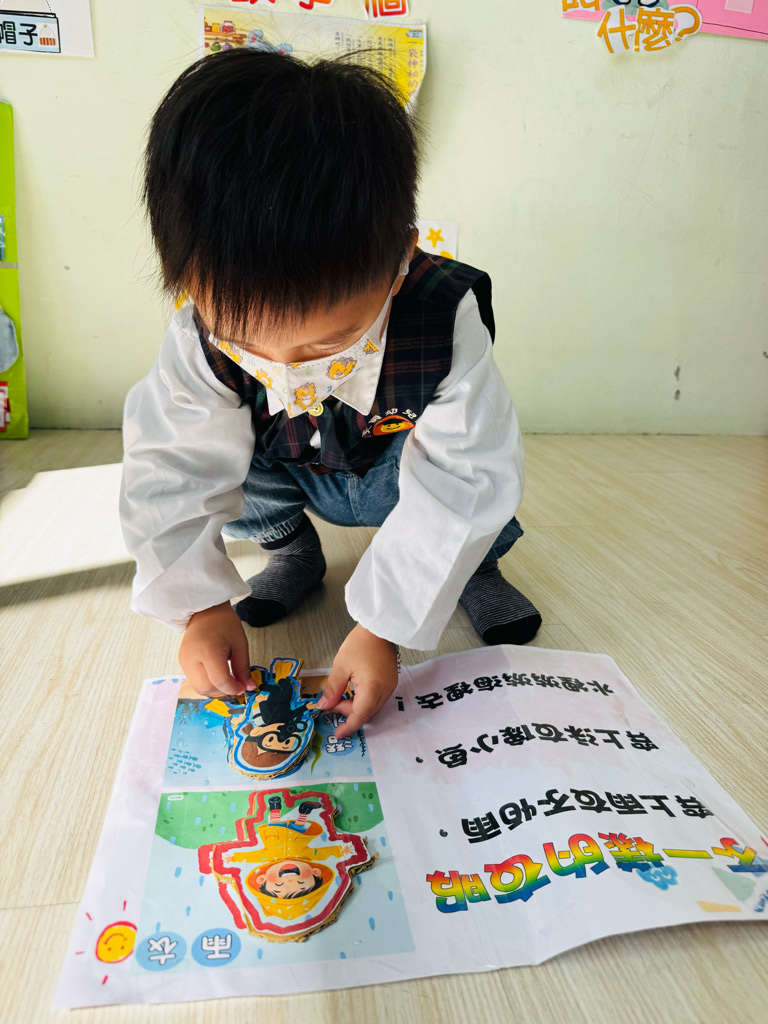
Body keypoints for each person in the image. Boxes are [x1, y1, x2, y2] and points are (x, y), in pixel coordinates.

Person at [120, 49, 541, 742]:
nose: (286, 371)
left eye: (328, 343)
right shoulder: (197, 337)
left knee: (478, 492)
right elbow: (171, 470)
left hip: (396, 471)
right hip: (293, 471)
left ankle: (474, 570)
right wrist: (198, 606)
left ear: (399, 259)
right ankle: (294, 552)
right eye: (244, 340)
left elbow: (467, 477)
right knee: (216, 451)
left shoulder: (442, 319)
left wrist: (382, 628)